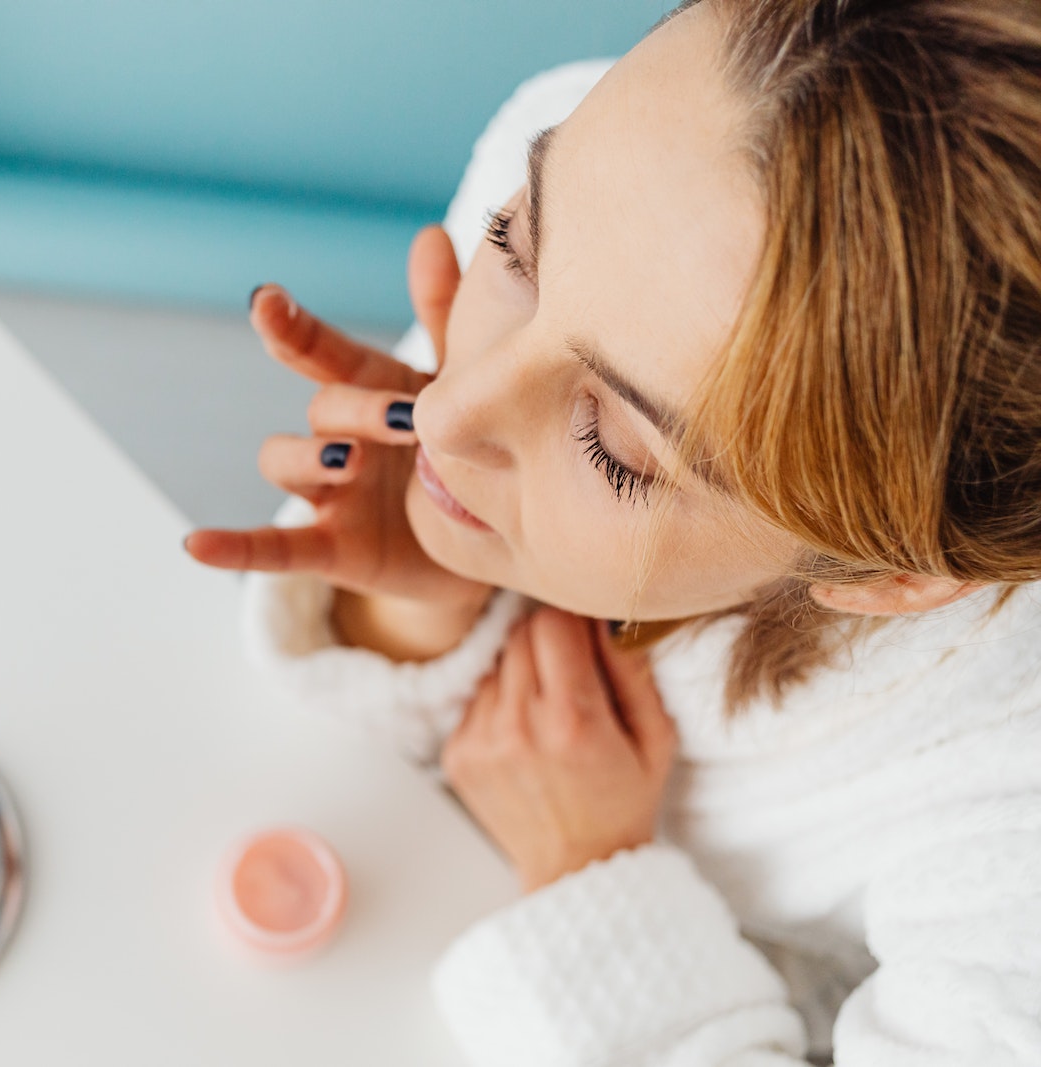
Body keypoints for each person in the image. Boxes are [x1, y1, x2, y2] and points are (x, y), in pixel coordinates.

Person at [185, 0, 1041, 1063]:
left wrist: (595, 884)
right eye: (514, 246)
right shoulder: (632, 170)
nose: (447, 415)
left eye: (616, 450)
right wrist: (423, 594)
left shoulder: (1015, 830)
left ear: (892, 576)